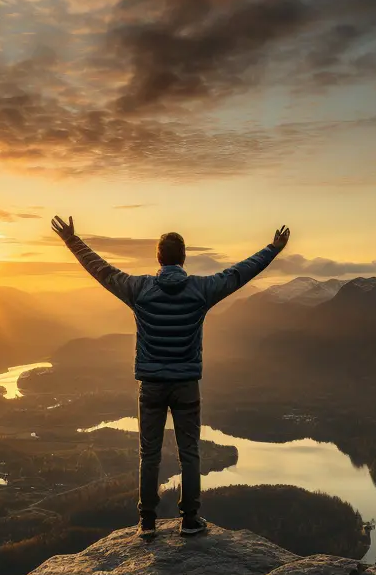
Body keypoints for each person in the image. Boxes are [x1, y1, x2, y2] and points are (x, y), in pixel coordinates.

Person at [52, 216, 290, 537]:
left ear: (159, 258)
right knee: (189, 452)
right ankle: (190, 520)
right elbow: (239, 274)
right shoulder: (201, 290)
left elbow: (103, 271)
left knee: (149, 454)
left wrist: (72, 241)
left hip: (151, 385)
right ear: (183, 258)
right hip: (186, 386)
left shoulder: (139, 290)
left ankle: (147, 523)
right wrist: (272, 249)